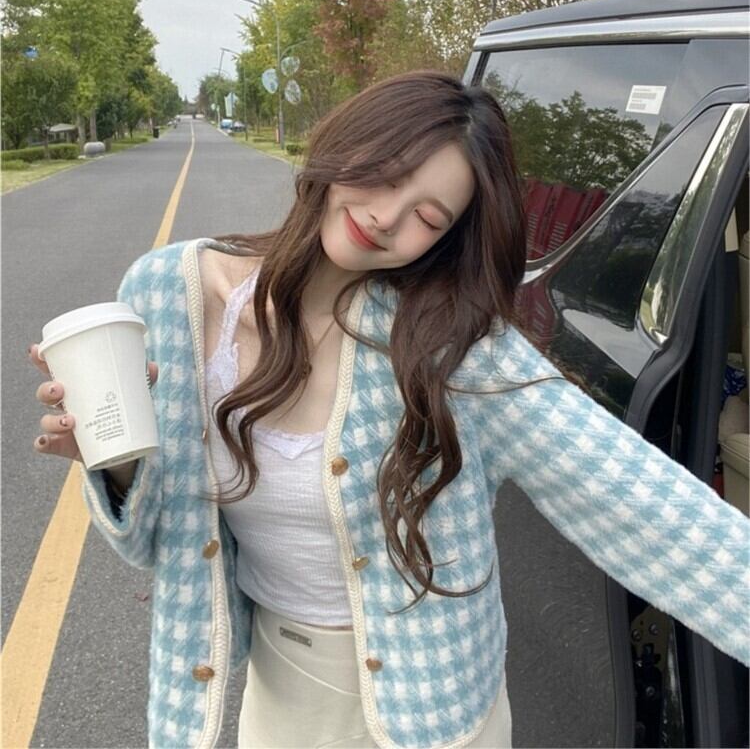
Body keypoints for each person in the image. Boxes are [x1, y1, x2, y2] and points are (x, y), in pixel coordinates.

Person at [31, 71, 749, 749]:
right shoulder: (166, 296)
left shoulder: (452, 348)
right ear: (347, 145)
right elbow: (154, 544)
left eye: (427, 217)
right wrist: (117, 465)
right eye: (385, 173)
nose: (385, 218)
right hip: (282, 692)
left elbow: (645, 506)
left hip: (438, 711)